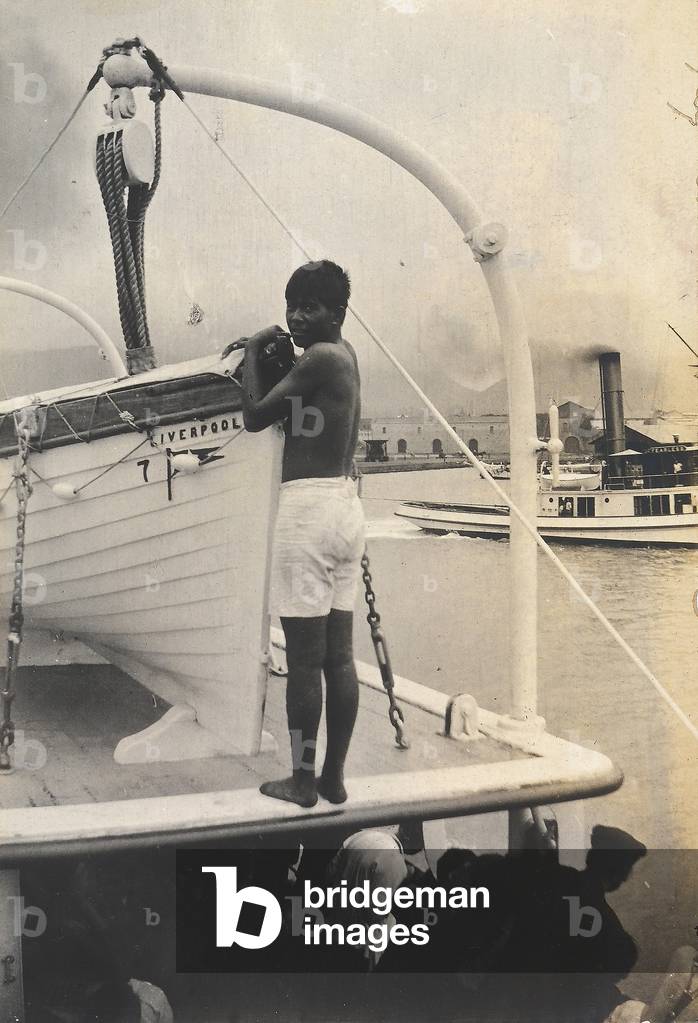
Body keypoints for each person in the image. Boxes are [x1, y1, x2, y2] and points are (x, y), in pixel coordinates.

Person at [229, 260, 364, 807]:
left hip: (307, 511)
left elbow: (255, 416)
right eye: (291, 306)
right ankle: (332, 778)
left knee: (306, 661)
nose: (296, 317)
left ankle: (302, 781)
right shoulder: (345, 357)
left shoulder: (321, 358)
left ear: (337, 313)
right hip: (344, 508)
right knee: (339, 658)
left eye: (309, 307)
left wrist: (252, 354)